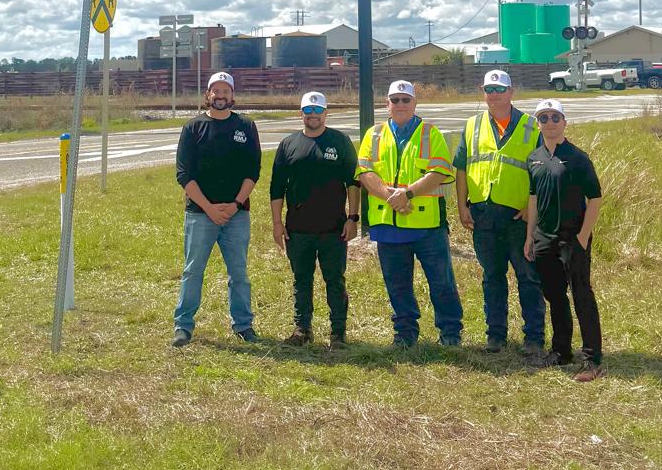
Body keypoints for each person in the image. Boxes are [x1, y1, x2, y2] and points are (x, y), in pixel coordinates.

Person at [356, 79, 463, 348]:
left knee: (442, 283)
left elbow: (439, 172)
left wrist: (408, 194)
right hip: (388, 224)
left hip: (427, 225)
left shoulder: (430, 133)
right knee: (397, 284)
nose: (400, 104)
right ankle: (405, 333)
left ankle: (450, 333)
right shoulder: (374, 134)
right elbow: (365, 172)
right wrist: (391, 197)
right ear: (387, 103)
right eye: (395, 100)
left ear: (415, 103)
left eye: (406, 100)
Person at [454, 68, 545, 355]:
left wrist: (534, 209)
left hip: (518, 217)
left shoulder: (532, 127)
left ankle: (534, 338)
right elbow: (462, 168)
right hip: (483, 214)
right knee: (492, 276)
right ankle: (496, 335)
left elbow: (544, 173)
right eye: (489, 90)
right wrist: (461, 206)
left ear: (511, 92)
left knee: (528, 276)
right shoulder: (473, 125)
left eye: (500, 89)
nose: (494, 95)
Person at [172, 72, 261, 347]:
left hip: (237, 215)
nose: (220, 96)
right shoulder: (192, 128)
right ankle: (183, 326)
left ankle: (243, 325)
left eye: (225, 91)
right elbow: (184, 174)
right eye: (215, 91)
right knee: (192, 271)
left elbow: (253, 171)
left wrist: (235, 205)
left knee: (239, 273)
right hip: (200, 215)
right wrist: (209, 208)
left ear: (232, 96)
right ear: (207, 95)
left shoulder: (246, 126)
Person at [270, 89, 361, 348]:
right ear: (301, 113)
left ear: (326, 113)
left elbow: (353, 182)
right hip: (298, 228)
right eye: (308, 110)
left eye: (318, 110)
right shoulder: (288, 144)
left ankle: (338, 333)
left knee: (334, 279)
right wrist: (277, 223)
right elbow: (277, 187)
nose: (313, 115)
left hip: (334, 229)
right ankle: (302, 329)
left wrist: (353, 218)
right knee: (302, 280)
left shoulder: (340, 141)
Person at [523, 98, 603, 382]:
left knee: (582, 295)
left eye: (555, 117)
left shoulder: (578, 158)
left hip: (573, 239)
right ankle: (561, 351)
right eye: (544, 118)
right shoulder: (533, 158)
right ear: (538, 124)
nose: (550, 123)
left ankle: (592, 359)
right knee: (555, 296)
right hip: (543, 238)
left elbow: (595, 198)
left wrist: (583, 236)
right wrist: (530, 236)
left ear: (564, 122)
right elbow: (533, 198)